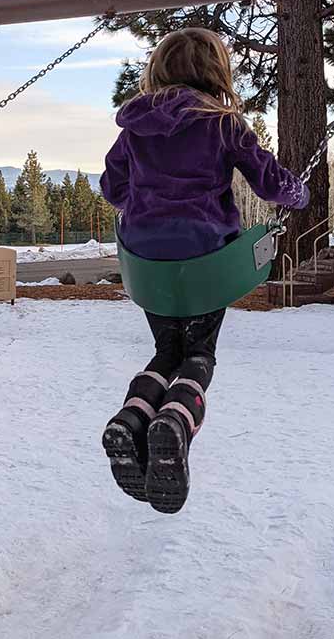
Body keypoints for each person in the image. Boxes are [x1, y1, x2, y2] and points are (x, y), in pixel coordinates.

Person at [100, 27, 310, 514]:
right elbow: (270, 182)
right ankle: (174, 422)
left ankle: (131, 418)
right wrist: (298, 194)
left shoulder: (134, 128)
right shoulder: (223, 123)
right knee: (198, 353)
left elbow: (113, 188)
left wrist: (143, 203)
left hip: (147, 258)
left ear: (157, 71)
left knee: (165, 349)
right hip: (204, 255)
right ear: (217, 72)